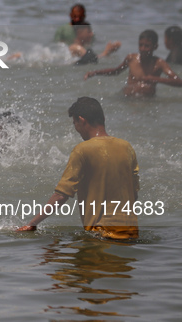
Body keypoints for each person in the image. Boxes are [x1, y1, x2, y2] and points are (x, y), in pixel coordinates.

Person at [17, 97, 140, 240]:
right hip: (131, 234)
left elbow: (61, 195)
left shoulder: (82, 150)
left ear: (82, 120)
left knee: (50, 251)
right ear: (103, 118)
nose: (76, 129)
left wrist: (32, 224)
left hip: (101, 236)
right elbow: (134, 194)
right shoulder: (126, 148)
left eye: (74, 123)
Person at [84, 29, 182, 97]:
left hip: (147, 102)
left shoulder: (159, 63)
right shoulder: (132, 58)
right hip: (126, 98)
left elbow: (178, 82)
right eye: (140, 45)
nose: (143, 49)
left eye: (147, 46)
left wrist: (156, 79)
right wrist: (95, 73)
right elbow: (116, 71)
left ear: (155, 47)